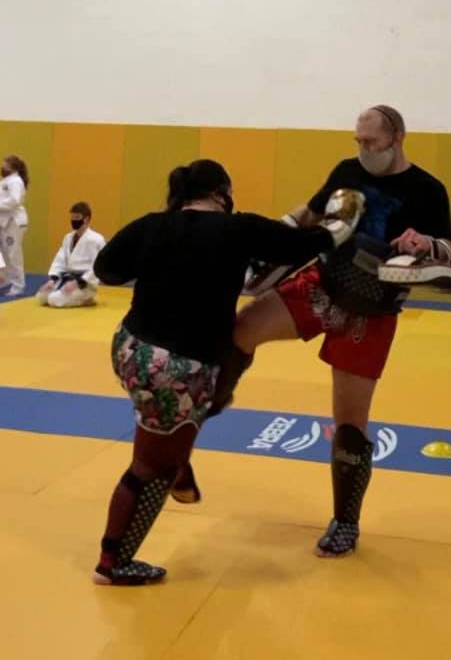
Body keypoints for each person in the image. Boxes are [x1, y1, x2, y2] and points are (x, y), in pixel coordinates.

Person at [91, 158, 363, 586]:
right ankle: (113, 562)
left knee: (191, 406)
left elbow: (106, 269)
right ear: (222, 193)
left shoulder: (152, 224)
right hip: (178, 367)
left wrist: (162, 263)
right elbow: (305, 244)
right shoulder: (239, 229)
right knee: (152, 466)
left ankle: (175, 458)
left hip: (130, 349)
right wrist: (347, 217)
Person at [210, 105, 451, 559]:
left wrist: (425, 245)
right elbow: (310, 214)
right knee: (242, 329)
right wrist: (269, 238)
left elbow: (448, 255)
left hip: (372, 309)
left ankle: (345, 521)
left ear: (398, 137)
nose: (363, 149)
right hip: (322, 284)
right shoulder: (347, 171)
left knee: (349, 424)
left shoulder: (427, 189)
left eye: (372, 141)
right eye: (358, 141)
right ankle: (211, 401)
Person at [37, 202, 106, 308]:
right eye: (72, 217)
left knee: (54, 300)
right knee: (42, 297)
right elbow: (59, 260)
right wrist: (52, 280)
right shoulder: (68, 238)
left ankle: (87, 299)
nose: (74, 221)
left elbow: (97, 267)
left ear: (86, 219)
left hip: (85, 283)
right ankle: (72, 295)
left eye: (77, 217)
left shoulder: (96, 239)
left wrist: (77, 282)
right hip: (68, 279)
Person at [0, 155, 29, 296]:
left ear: (13, 167)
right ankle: (2, 279)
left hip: (13, 222)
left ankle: (18, 285)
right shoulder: (6, 181)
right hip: (2, 221)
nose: (2, 167)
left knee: (13, 254)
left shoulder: (15, 181)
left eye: (5, 165)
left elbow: (15, 200)